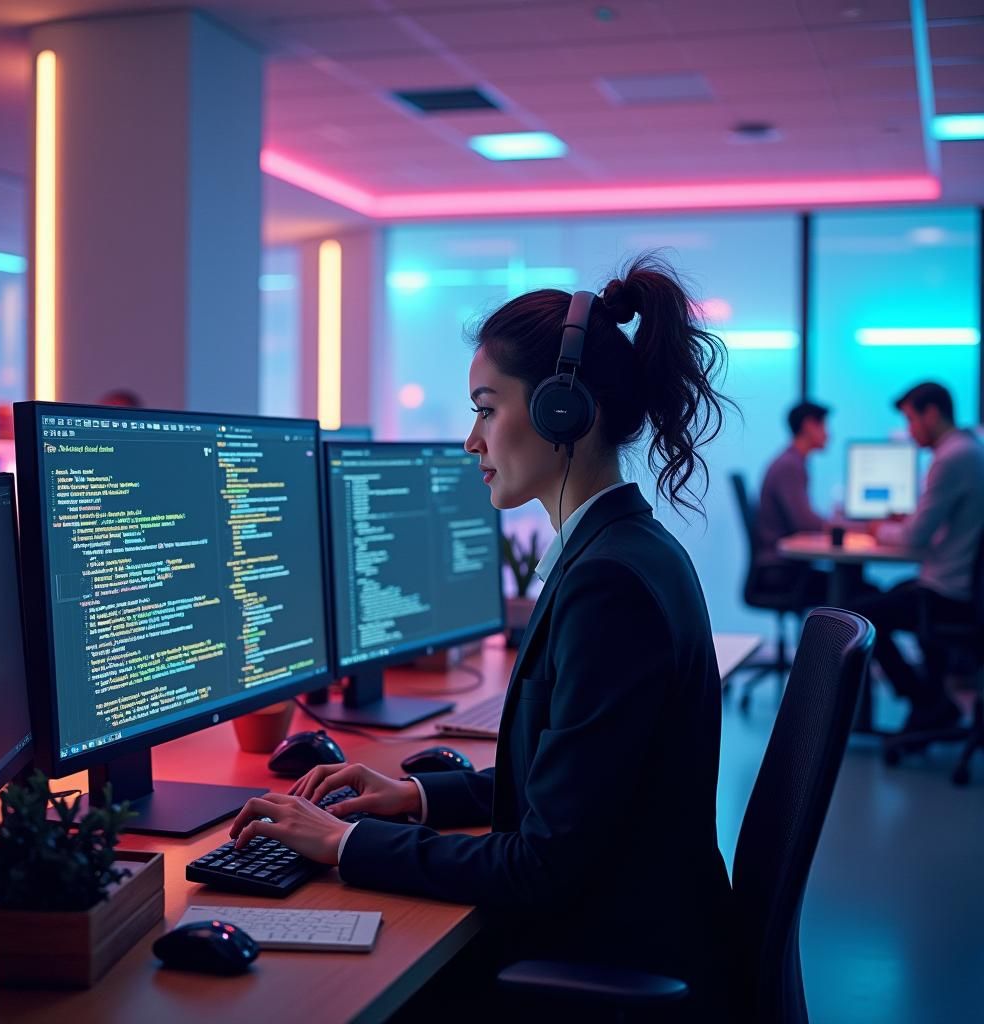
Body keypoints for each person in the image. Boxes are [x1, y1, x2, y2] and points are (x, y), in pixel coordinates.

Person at [229, 256, 736, 1016]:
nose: (471, 440)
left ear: (565, 412)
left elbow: (542, 865)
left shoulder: (610, 587)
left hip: (607, 955)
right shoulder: (625, 552)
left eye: (486, 408)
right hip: (629, 925)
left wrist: (340, 845)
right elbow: (572, 792)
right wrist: (412, 795)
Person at [854, 382, 984, 733]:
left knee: (861, 615)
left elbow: (914, 539)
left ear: (932, 413)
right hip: (962, 588)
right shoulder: (969, 449)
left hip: (947, 593)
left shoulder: (951, 458)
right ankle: (933, 700)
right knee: (894, 592)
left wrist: (876, 529)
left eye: (912, 419)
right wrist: (906, 520)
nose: (909, 430)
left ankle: (926, 701)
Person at [754, 400, 831, 601]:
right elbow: (805, 522)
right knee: (856, 591)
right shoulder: (790, 466)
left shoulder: (792, 461)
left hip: (784, 566)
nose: (828, 434)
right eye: (823, 425)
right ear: (808, 425)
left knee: (858, 589)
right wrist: (854, 527)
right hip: (782, 571)